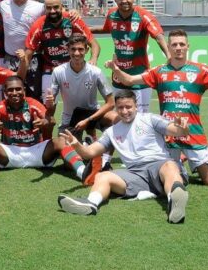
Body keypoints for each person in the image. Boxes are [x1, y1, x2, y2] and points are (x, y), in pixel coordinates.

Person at [106, 29, 208, 186]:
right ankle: (179, 159)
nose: (178, 47)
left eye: (182, 44)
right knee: (170, 178)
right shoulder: (159, 71)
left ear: (188, 46)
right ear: (168, 47)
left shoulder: (200, 71)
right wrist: (116, 69)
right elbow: (129, 80)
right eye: (174, 44)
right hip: (169, 133)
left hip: (193, 132)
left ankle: (188, 158)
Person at [57, 90, 191, 224]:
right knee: (102, 176)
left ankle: (174, 202)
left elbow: (177, 131)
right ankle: (91, 203)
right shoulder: (111, 132)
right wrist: (76, 145)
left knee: (169, 165)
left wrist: (183, 128)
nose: (125, 111)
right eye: (120, 107)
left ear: (136, 106)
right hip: (135, 174)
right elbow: (89, 153)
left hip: (159, 166)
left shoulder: (150, 119)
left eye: (128, 107)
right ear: (116, 108)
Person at [0, 76, 100, 187]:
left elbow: (51, 121)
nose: (15, 92)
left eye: (18, 89)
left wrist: (45, 122)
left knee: (60, 141)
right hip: (10, 153)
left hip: (36, 151)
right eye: (10, 90)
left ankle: (83, 173)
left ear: (24, 90)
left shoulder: (33, 104)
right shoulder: (1, 106)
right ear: (5, 93)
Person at [25, 0, 98, 135]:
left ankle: (90, 141)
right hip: (49, 70)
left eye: (56, 7)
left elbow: (94, 44)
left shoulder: (72, 19)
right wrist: (20, 76)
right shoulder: (39, 25)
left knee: (84, 106)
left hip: (73, 70)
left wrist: (93, 59)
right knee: (48, 106)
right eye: (49, 8)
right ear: (44, 9)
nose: (53, 11)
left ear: (62, 6)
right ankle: (47, 143)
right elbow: (28, 54)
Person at [91, 0, 170, 112]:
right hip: (118, 76)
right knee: (120, 116)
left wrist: (169, 56)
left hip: (140, 76)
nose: (124, 1)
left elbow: (159, 36)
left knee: (141, 118)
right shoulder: (111, 14)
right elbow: (105, 29)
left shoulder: (143, 16)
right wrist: (86, 30)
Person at [45, 34, 115, 159]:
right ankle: (86, 144)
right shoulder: (59, 71)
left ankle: (105, 160)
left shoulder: (95, 72)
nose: (77, 53)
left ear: (87, 50)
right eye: (73, 49)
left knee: (116, 118)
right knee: (68, 159)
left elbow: (111, 103)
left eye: (81, 49)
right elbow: (51, 103)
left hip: (92, 114)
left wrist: (88, 120)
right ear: (68, 49)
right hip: (70, 118)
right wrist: (49, 103)